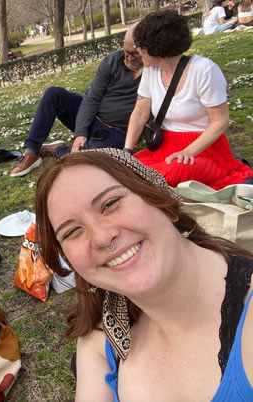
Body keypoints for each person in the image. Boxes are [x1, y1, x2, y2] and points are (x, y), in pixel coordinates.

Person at [34, 148, 253, 402]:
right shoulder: (101, 337)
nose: (103, 238)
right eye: (72, 231)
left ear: (162, 200)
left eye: (110, 204)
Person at [124, 10, 252, 189]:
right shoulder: (151, 71)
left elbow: (220, 121)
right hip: (164, 148)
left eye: (139, 45)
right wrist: (127, 152)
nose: (137, 51)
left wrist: (188, 151)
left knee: (170, 174)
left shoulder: (204, 70)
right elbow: (139, 113)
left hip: (202, 151)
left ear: (155, 48)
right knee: (126, 170)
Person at [11, 23, 144, 177]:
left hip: (115, 130)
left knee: (87, 160)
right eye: (125, 51)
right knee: (54, 94)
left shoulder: (154, 71)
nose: (127, 58)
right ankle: (31, 152)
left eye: (133, 54)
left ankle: (56, 150)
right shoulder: (113, 61)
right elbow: (92, 98)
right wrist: (80, 132)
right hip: (92, 117)